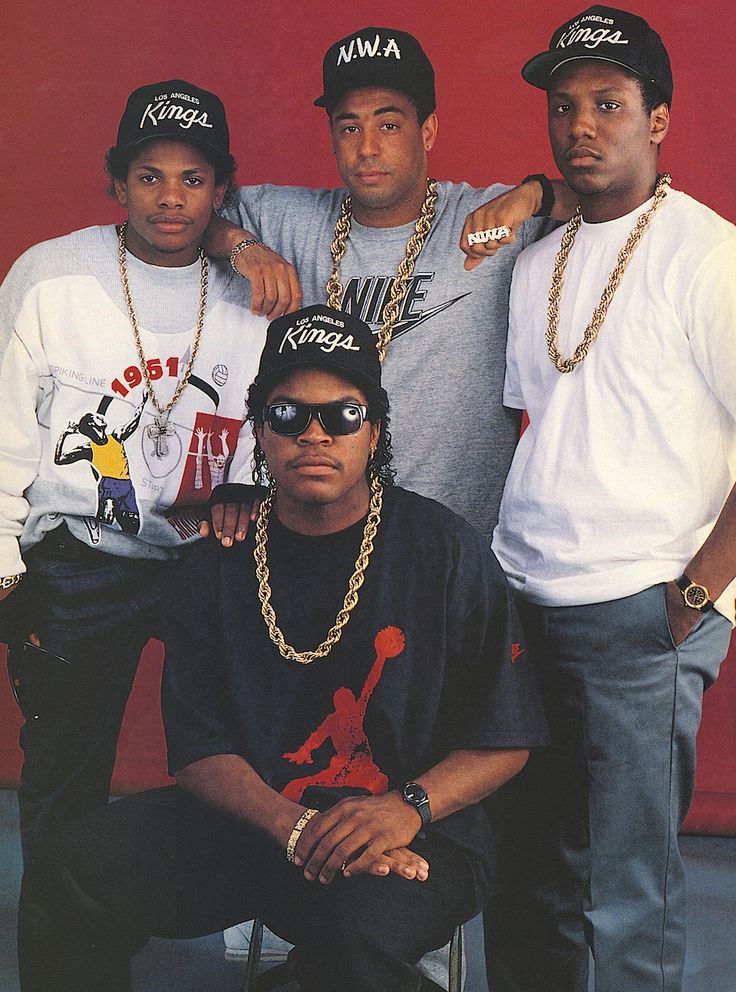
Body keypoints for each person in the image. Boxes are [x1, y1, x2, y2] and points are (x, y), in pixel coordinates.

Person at [38, 303, 549, 992]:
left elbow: (506, 738)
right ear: (260, 431)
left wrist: (405, 810)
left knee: (355, 939)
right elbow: (198, 752)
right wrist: (294, 827)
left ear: (373, 432)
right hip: (259, 825)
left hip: (419, 830)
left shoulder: (445, 550)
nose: (315, 434)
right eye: (287, 416)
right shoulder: (214, 563)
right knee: (72, 865)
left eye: (342, 415)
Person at [486, 7, 736, 991]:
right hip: (524, 602)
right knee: (524, 875)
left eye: (607, 103)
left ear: (657, 119)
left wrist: (695, 594)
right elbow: (534, 426)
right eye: (563, 106)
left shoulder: (705, 253)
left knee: (630, 892)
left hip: (643, 609)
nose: (581, 125)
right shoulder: (537, 261)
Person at [0, 79, 268, 989]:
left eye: (193, 180)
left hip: (205, 558)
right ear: (116, 183)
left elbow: (271, 428)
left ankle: (249, 925)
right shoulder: (53, 274)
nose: (170, 199)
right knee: (65, 781)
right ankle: (66, 971)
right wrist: (4, 565)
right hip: (79, 561)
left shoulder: (249, 293)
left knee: (246, 752)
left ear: (221, 191)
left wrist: (249, 495)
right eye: (149, 177)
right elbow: (2, 427)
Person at [207, 26, 579, 541]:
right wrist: (244, 248)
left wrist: (532, 195)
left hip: (461, 544)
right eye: (349, 127)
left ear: (427, 131)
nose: (367, 149)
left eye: (389, 124)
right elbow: (188, 212)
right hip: (323, 539)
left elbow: (604, 196)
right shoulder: (292, 219)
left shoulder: (487, 218)